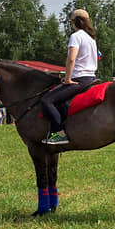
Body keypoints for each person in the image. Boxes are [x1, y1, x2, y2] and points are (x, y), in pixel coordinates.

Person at [41, 8, 99, 145]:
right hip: (91, 77)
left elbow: (71, 59)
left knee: (46, 101)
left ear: (73, 22)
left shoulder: (76, 36)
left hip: (80, 79)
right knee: (60, 100)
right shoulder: (91, 38)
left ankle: (59, 134)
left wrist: (67, 78)